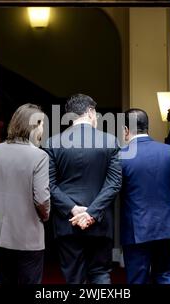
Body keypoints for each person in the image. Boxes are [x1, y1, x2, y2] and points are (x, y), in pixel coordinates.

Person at [43, 94, 122, 284]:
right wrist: (92, 213)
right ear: (90, 112)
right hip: (100, 222)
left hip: (67, 221)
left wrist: (73, 209)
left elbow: (49, 185)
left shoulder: (52, 143)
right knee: (100, 273)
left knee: (73, 277)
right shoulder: (110, 141)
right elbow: (114, 184)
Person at [0, 104, 50, 284]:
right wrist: (46, 215)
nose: (43, 128)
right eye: (41, 124)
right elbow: (41, 198)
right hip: (28, 236)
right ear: (33, 126)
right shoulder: (39, 156)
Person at [120, 109, 170, 284]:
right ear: (146, 127)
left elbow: (113, 191)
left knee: (137, 278)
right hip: (166, 225)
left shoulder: (121, 156)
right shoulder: (169, 151)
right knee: (164, 273)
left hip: (136, 227)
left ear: (126, 129)